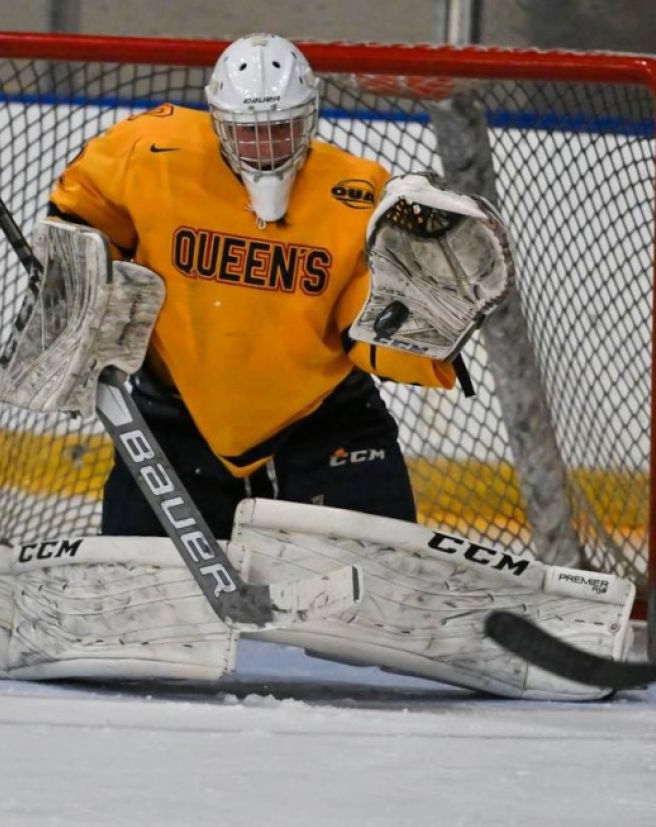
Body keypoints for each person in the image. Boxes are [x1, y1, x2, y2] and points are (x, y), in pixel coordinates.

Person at [45, 33, 459, 541]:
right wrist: (76, 275)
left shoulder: (359, 190)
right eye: (248, 132)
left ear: (310, 118)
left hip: (325, 420)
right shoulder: (151, 150)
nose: (265, 147)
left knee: (376, 588)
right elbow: (83, 208)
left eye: (281, 129)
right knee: (150, 599)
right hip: (176, 418)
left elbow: (362, 320)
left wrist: (425, 334)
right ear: (217, 121)